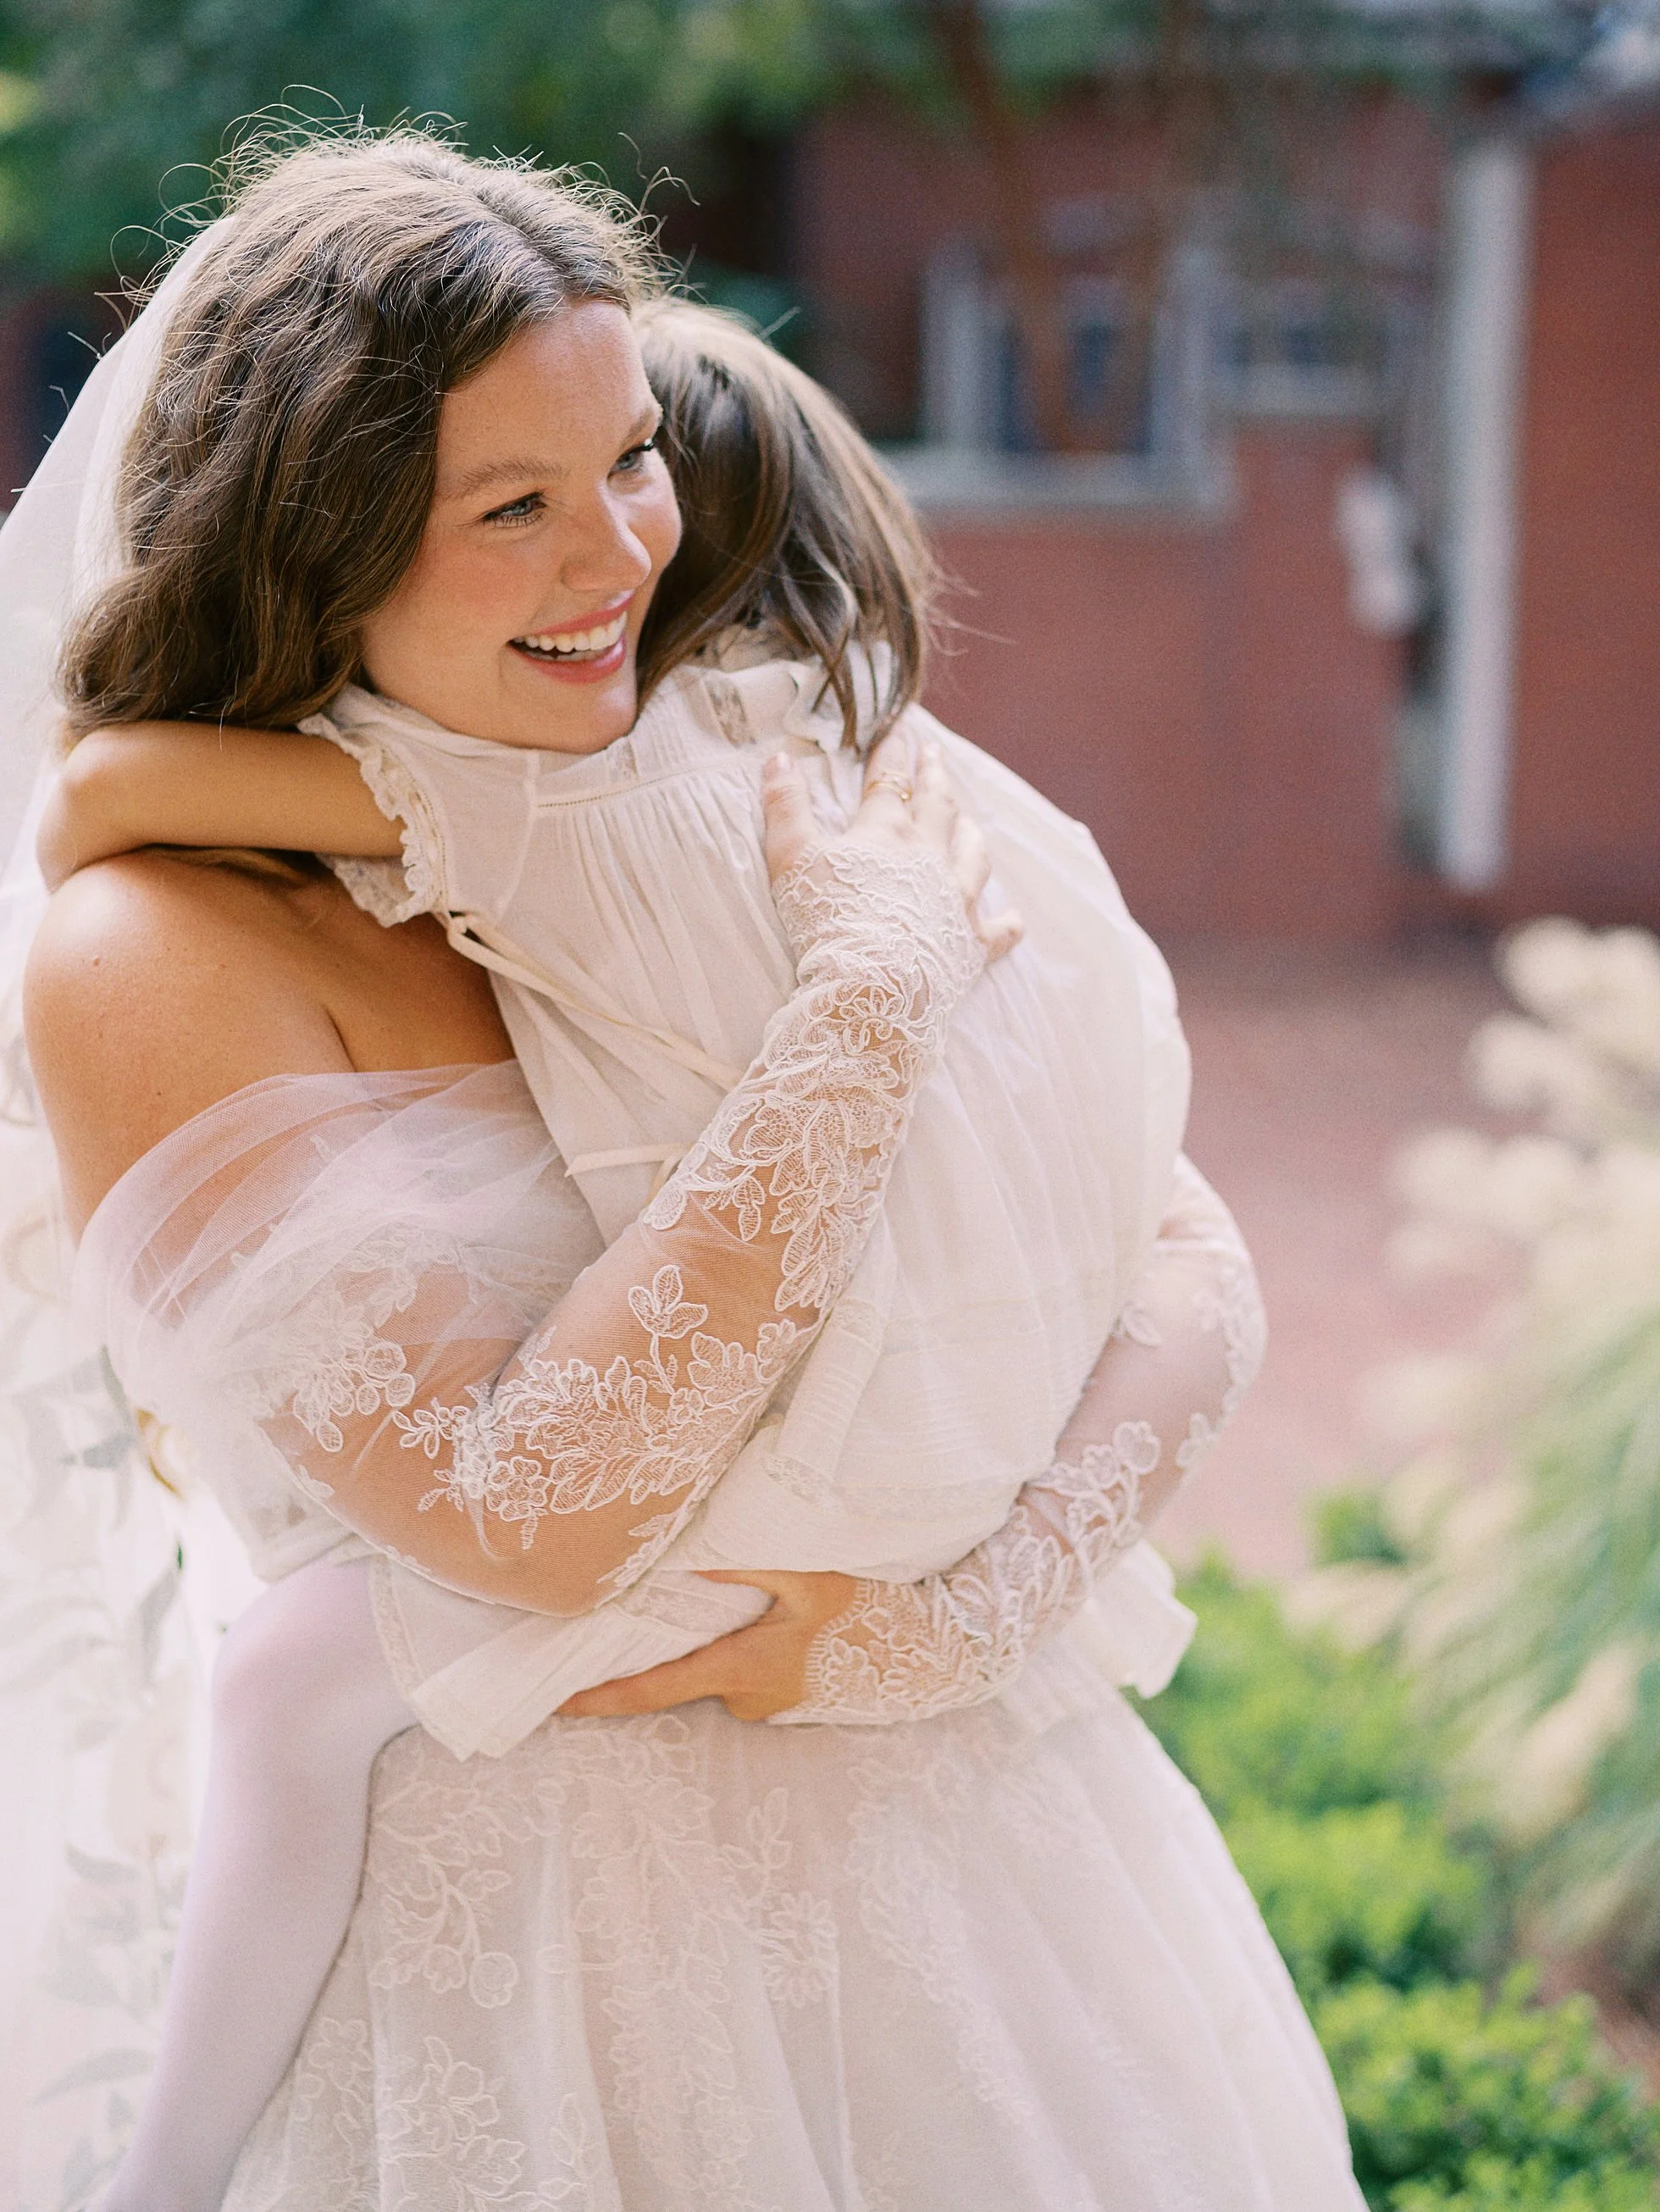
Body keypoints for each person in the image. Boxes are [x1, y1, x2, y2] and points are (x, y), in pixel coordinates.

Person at [14, 131, 1365, 2210]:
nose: (622, 557)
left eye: (630, 459)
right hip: (540, 1990)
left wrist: (952, 1621)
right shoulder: (165, 950)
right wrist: (863, 1005)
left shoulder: (736, 795)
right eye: (512, 507)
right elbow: (529, 1520)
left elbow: (1166, 1237)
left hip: (990, 1905)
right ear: (316, 536)